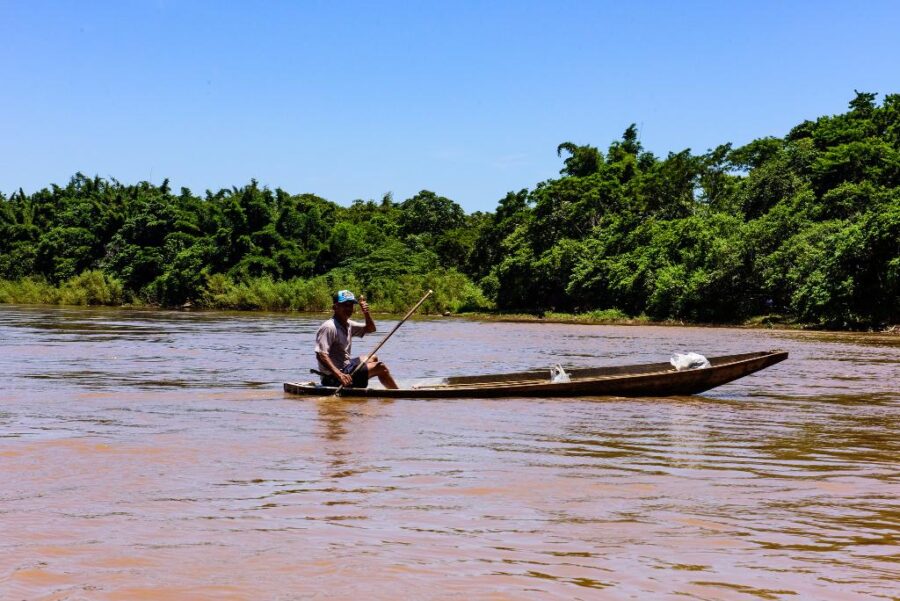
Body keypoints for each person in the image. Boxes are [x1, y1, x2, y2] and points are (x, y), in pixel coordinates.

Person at [315, 290, 398, 389]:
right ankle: (398, 394)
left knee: (373, 358)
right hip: (334, 378)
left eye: (351, 305)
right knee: (381, 368)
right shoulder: (329, 327)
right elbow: (321, 355)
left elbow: (371, 329)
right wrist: (339, 375)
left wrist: (366, 313)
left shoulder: (348, 324)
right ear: (335, 307)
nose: (349, 308)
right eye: (345, 305)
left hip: (346, 368)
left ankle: (363, 380)